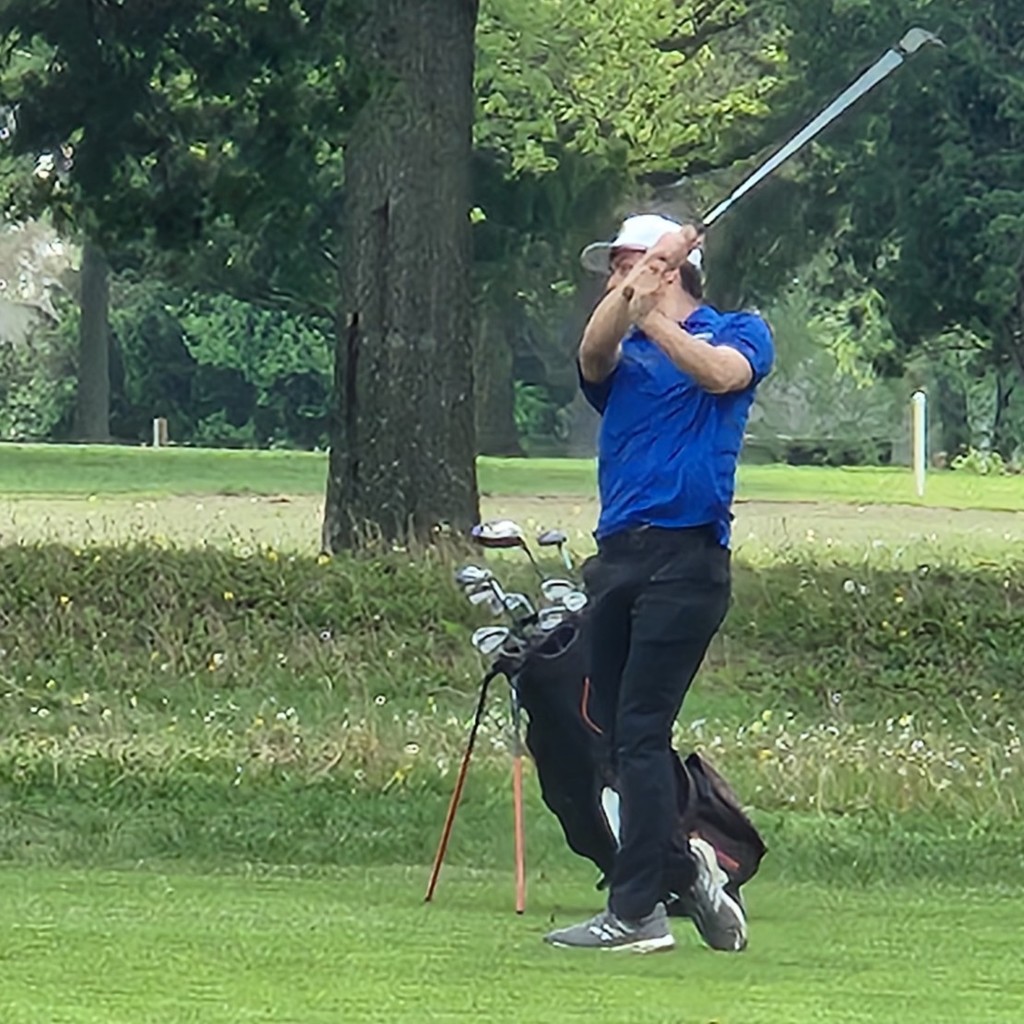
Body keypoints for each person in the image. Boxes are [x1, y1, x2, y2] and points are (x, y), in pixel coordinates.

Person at [543, 213, 775, 954]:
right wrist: (634, 298)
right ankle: (689, 871)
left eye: (623, 265)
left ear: (669, 271)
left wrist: (657, 309)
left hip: (688, 562)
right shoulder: (620, 352)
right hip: (618, 558)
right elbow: (591, 349)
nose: (613, 279)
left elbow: (719, 375)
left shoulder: (739, 330)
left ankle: (637, 913)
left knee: (642, 733)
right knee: (613, 743)